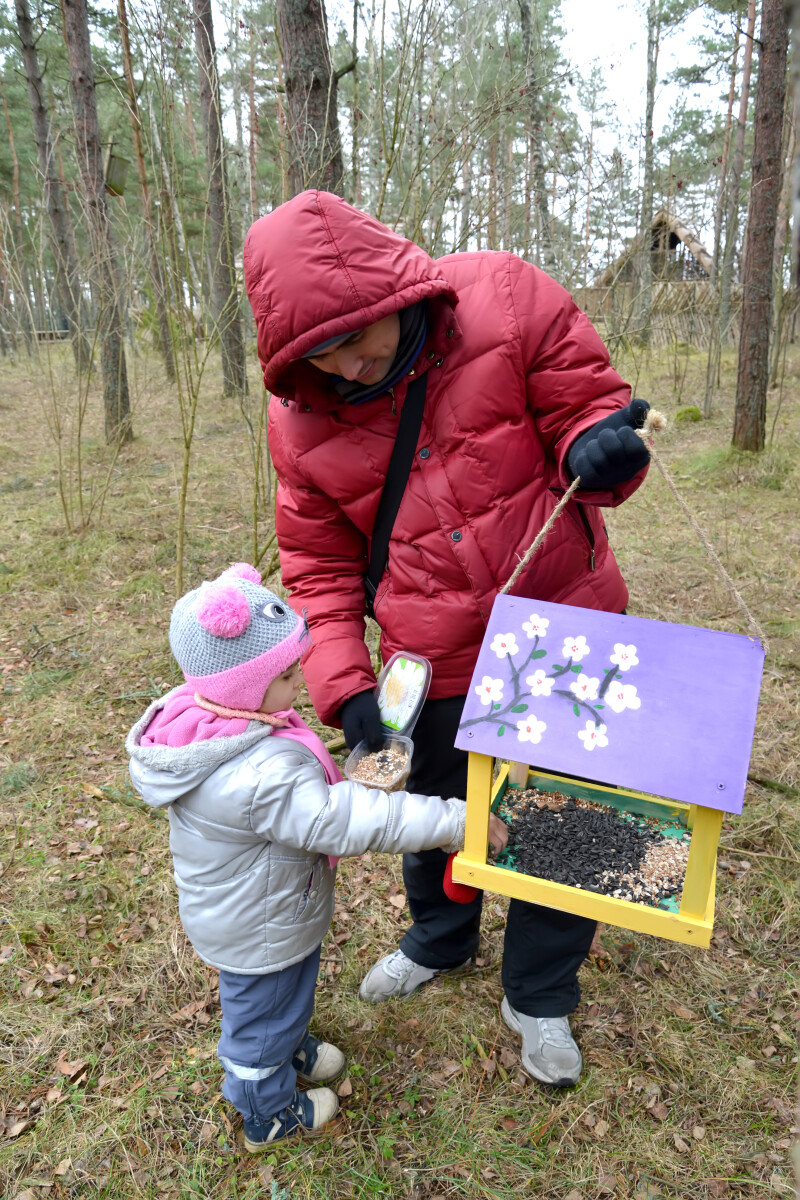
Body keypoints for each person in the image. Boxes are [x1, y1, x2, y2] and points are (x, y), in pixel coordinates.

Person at [243, 190, 650, 1088]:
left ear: (395, 292)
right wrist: (345, 682)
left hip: (560, 626)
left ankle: (540, 994)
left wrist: (600, 448)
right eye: (323, 355)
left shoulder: (506, 299)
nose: (350, 367)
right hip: (432, 658)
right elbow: (316, 567)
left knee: (563, 821)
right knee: (431, 813)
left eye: (359, 337)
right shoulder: (300, 420)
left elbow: (588, 406)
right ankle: (439, 938)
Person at [126, 561, 508, 1147]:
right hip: (261, 928)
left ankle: (287, 1044)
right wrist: (456, 819)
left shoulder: (220, 719)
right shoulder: (259, 774)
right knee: (259, 1018)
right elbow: (345, 818)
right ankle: (266, 1107)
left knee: (283, 996)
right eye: (285, 676)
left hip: (264, 911)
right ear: (244, 685)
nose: (298, 685)